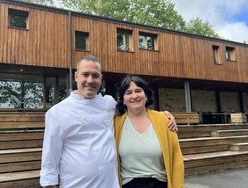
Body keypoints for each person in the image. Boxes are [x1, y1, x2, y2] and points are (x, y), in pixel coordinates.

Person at [40, 55, 177, 188]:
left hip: (110, 184)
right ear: (76, 76)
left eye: (95, 75)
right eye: (85, 74)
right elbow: (50, 158)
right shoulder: (57, 113)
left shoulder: (108, 104)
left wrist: (161, 115)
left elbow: (134, 108)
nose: (90, 80)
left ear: (101, 78)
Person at [114, 75, 184, 188]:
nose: (134, 96)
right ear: (123, 100)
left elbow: (176, 158)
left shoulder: (164, 121)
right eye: (128, 92)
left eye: (138, 91)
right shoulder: (115, 124)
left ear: (146, 96)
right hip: (129, 184)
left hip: (159, 183)